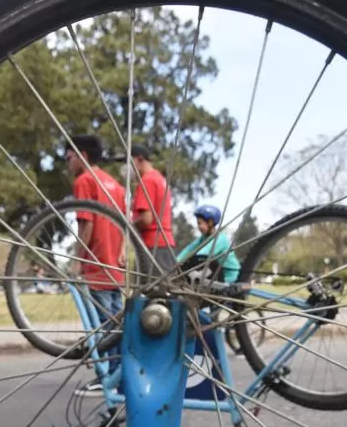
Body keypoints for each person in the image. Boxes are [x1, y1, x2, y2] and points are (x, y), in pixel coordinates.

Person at [66, 134, 127, 396]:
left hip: (97, 263)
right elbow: (125, 224)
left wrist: (77, 260)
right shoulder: (116, 185)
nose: (67, 164)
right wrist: (122, 252)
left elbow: (86, 222)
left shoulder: (84, 180)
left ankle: (107, 379)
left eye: (69, 158)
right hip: (116, 264)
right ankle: (118, 376)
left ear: (82, 155)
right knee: (115, 324)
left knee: (102, 325)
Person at [128, 143, 176, 276]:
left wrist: (128, 226)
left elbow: (146, 219)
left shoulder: (146, 181)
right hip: (166, 244)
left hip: (151, 246)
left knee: (148, 292)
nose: (127, 169)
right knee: (164, 290)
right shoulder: (159, 179)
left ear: (139, 159)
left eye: (128, 163)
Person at [176, 205, 241, 284]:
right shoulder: (203, 238)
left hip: (229, 275)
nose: (199, 227)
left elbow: (204, 253)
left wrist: (185, 263)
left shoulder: (220, 239)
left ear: (210, 222)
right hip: (216, 271)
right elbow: (189, 249)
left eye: (200, 223)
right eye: (198, 223)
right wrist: (176, 261)